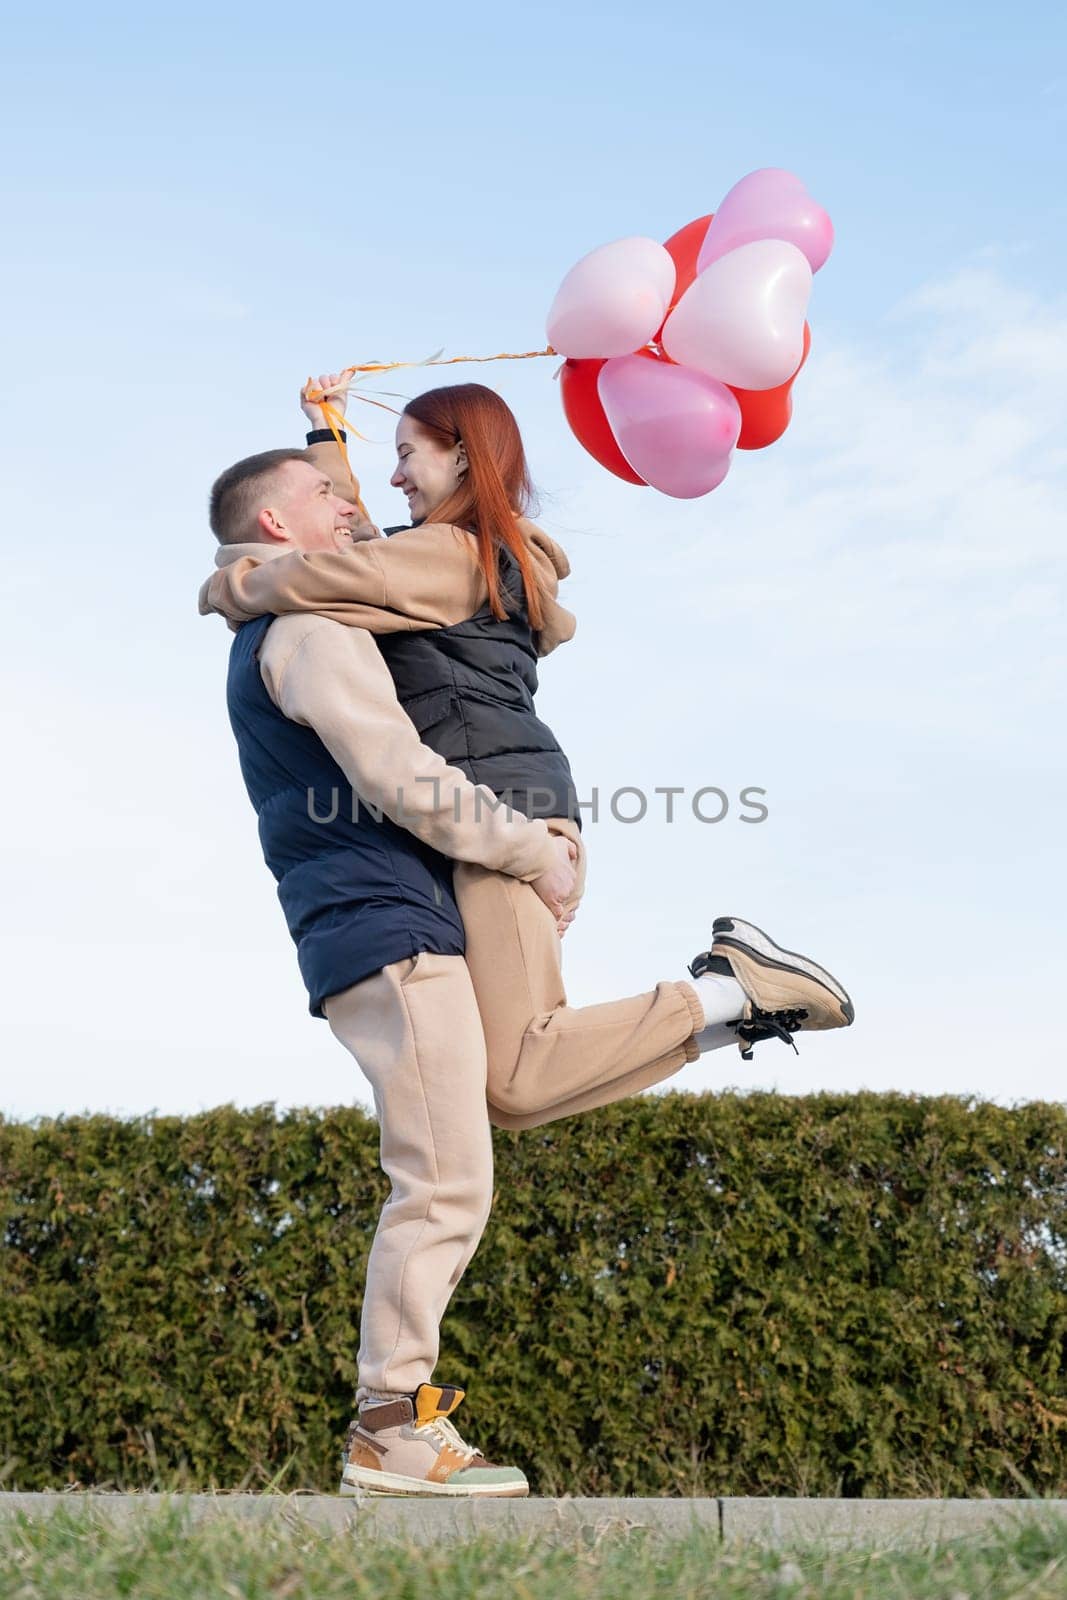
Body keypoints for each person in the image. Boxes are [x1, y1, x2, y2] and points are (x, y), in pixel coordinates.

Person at [201, 384, 854, 1499]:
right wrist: (324, 443)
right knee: (488, 1117)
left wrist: (237, 570)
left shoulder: (410, 570)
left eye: (405, 460)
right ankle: (729, 997)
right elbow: (353, 564)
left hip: (480, 838)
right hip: (443, 869)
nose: (372, 492)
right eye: (348, 483)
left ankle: (727, 997)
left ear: (460, 460)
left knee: (475, 1130)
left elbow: (337, 553)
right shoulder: (379, 593)